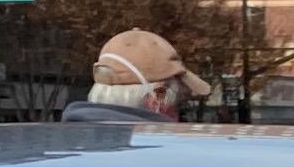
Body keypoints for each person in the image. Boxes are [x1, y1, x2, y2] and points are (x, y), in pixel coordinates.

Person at [61, 27, 215, 124]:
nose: (178, 116)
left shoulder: (57, 144)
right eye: (177, 105)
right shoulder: (161, 158)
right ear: (158, 100)